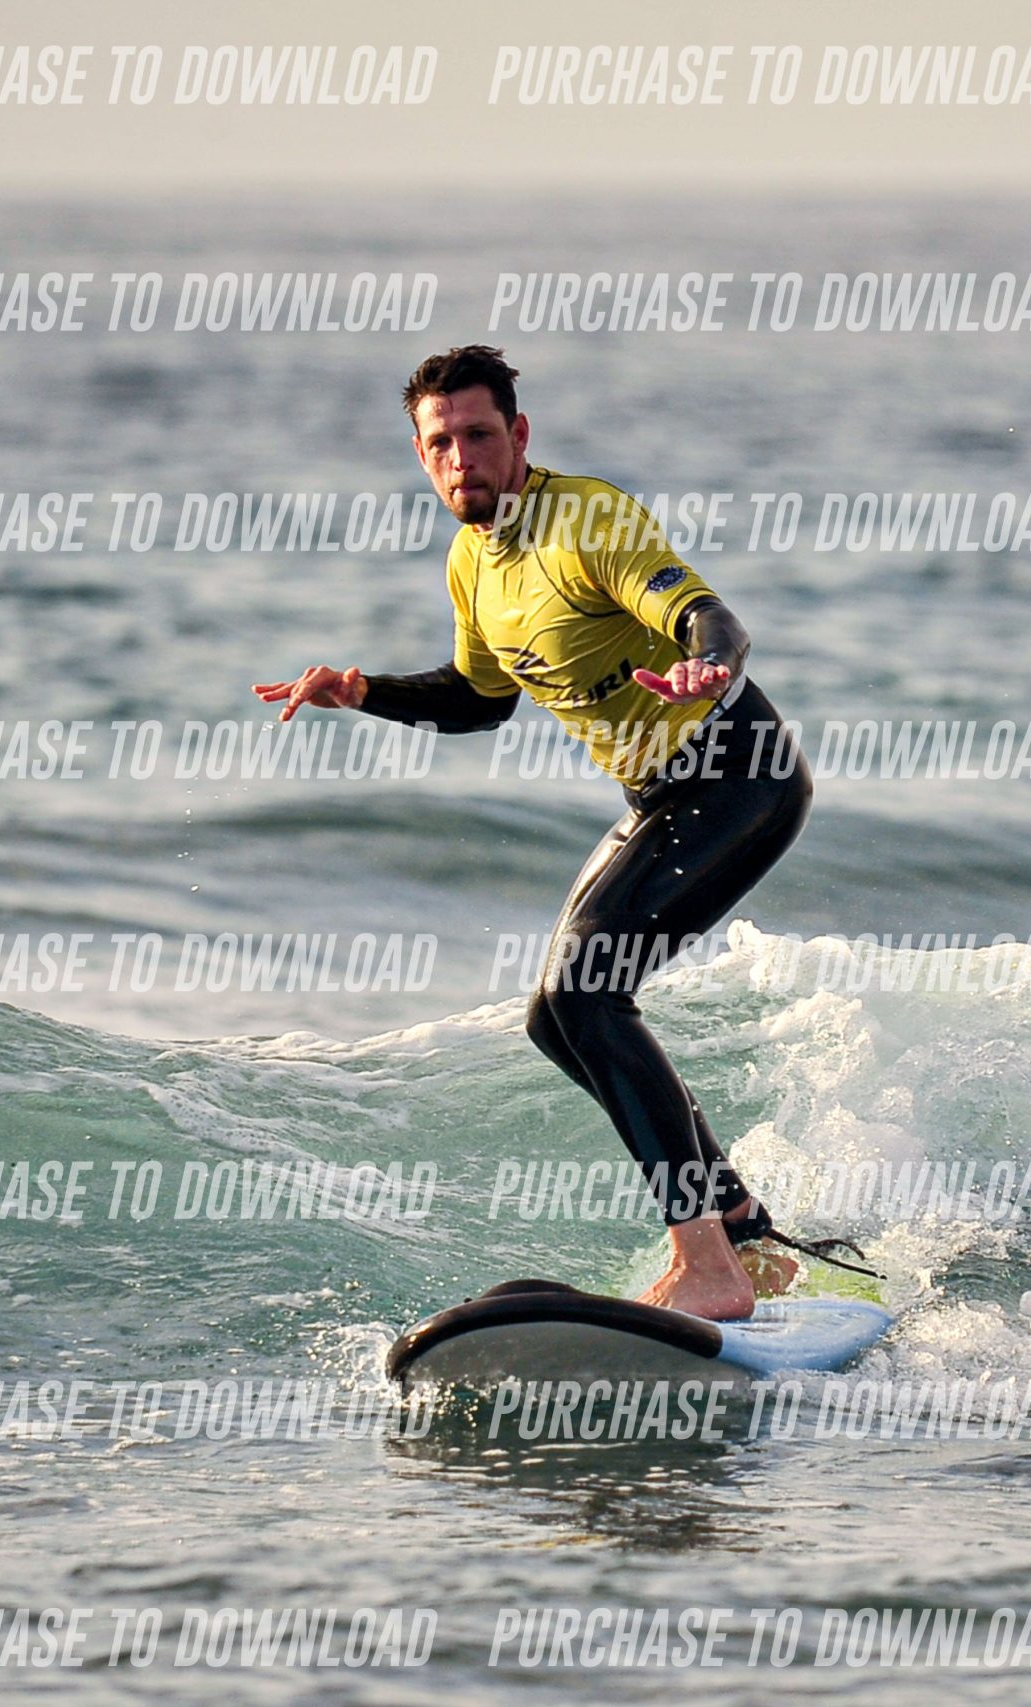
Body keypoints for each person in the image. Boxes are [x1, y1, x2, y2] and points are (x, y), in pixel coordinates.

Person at [252, 346, 817, 1320]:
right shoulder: (472, 562)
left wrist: (708, 663)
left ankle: (709, 1268)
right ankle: (744, 1233)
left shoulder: (586, 521)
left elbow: (706, 614)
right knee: (555, 1019)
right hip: (660, 792)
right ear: (421, 456)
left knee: (589, 993)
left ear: (518, 435)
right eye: (440, 443)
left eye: (479, 434)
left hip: (738, 772)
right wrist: (365, 691)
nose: (461, 457)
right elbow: (481, 699)